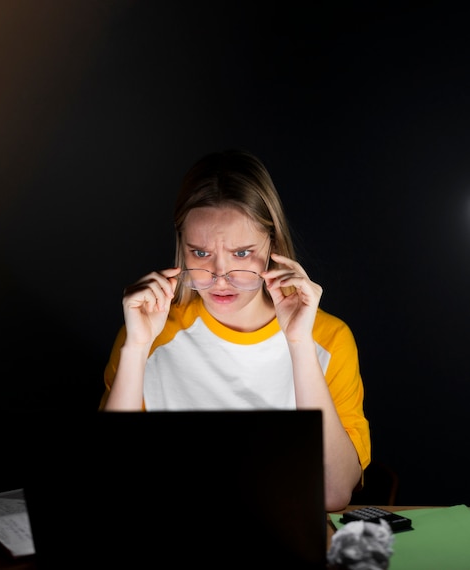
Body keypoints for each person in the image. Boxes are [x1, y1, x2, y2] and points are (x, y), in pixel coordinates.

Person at [99, 148, 371, 511]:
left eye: (242, 253)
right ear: (181, 245)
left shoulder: (328, 339)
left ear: (272, 244)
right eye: (200, 253)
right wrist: (135, 348)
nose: (219, 277)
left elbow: (334, 492)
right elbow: (107, 478)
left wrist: (299, 344)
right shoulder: (151, 334)